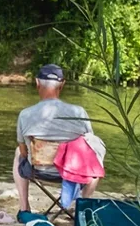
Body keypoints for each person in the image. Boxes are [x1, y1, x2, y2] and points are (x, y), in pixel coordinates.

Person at [15, 64, 95, 213]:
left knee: (17, 153)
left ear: (37, 83)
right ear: (62, 84)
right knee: (94, 158)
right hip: (74, 172)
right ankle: (82, 211)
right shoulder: (79, 112)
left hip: (39, 171)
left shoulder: (25, 115)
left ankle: (24, 209)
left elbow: (24, 152)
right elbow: (91, 146)